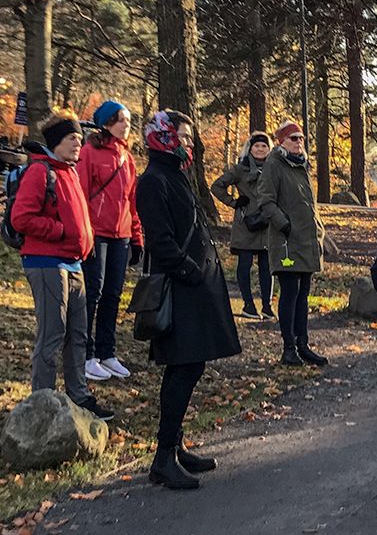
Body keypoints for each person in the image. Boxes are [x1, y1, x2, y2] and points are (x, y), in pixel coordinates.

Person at [136, 110, 242, 489]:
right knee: (181, 369)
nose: (187, 143)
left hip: (196, 290)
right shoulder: (153, 181)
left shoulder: (175, 176)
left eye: (188, 136)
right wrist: (190, 271)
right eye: (180, 135)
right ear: (162, 137)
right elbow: (160, 241)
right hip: (180, 290)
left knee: (191, 368)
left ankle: (175, 447)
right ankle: (163, 458)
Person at [11, 113, 113, 421]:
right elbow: (21, 218)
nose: (78, 145)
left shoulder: (69, 172)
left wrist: (86, 242)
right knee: (52, 334)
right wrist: (60, 232)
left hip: (73, 262)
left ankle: (78, 395)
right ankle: (41, 404)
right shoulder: (40, 172)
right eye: (72, 139)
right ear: (57, 141)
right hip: (45, 263)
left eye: (80, 140)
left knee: (78, 334)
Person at [77, 100, 143, 381]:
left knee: (113, 295)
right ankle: (86, 354)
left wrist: (137, 236)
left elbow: (132, 201)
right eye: (120, 120)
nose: (126, 125)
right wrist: (85, 232)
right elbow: (79, 195)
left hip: (122, 235)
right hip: (97, 233)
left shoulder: (127, 158)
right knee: (93, 293)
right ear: (106, 123)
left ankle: (107, 352)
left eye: (128, 120)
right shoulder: (89, 152)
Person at [256, 121, 327, 367]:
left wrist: (318, 228)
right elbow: (265, 201)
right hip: (286, 243)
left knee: (303, 294)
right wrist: (284, 224)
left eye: (301, 138)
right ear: (281, 142)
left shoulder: (302, 165)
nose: (299, 142)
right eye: (293, 138)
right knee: (290, 292)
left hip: (306, 241)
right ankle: (288, 348)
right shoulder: (274, 165)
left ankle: (303, 344)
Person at [212, 132, 274, 320]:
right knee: (244, 264)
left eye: (264, 146)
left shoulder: (274, 169)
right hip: (245, 223)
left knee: (267, 266)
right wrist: (234, 203)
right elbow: (217, 186)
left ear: (269, 149)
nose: (260, 149)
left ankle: (267, 306)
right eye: (257, 146)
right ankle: (248, 304)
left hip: (268, 222)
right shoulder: (240, 169)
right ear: (250, 148)